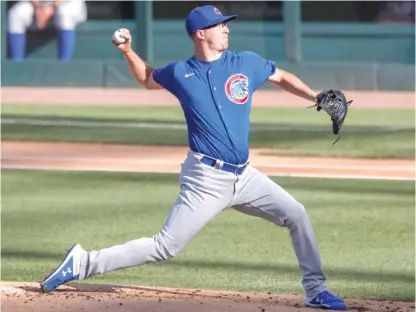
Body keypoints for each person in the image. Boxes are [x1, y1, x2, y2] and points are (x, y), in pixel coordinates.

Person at [40, 5, 347, 310]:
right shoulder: (180, 73)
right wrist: (128, 52)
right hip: (206, 179)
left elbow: (280, 76)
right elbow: (147, 79)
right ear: (201, 34)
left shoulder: (246, 63)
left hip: (245, 177)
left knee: (297, 214)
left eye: (226, 24)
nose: (226, 28)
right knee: (165, 246)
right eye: (219, 25)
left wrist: (316, 96)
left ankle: (315, 290)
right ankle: (83, 262)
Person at [7, 0, 87, 61]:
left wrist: (50, 5)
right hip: (38, 4)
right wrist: (39, 6)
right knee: (16, 14)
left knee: (64, 14)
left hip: (68, 2)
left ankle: (64, 66)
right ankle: (17, 65)